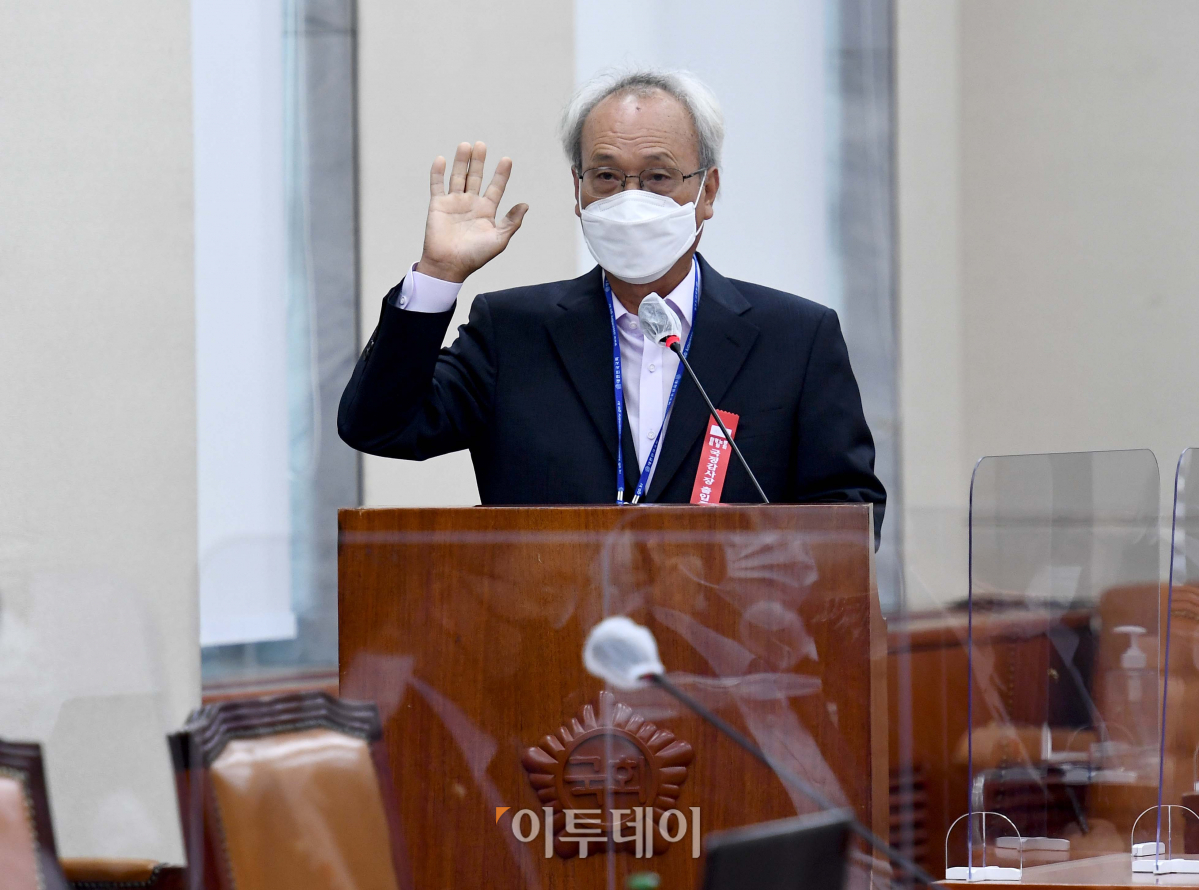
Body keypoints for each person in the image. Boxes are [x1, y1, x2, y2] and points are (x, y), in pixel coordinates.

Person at [338, 68, 886, 537]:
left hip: (732, 627)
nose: (630, 198)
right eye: (605, 176)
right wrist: (439, 275)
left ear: (708, 191)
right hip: (549, 624)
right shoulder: (511, 332)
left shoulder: (795, 338)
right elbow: (380, 427)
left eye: (658, 176)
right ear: (578, 191)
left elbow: (849, 513)